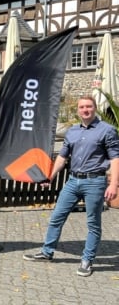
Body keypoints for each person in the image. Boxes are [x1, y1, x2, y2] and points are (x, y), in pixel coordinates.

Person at [23, 95, 119, 277]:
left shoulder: (107, 130)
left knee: (93, 223)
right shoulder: (72, 131)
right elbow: (62, 157)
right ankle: (47, 251)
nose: (85, 110)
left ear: (95, 108)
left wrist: (113, 184)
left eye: (89, 107)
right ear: (78, 110)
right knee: (57, 216)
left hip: (95, 182)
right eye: (82, 107)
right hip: (73, 181)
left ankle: (87, 260)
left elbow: (115, 158)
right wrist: (50, 177)